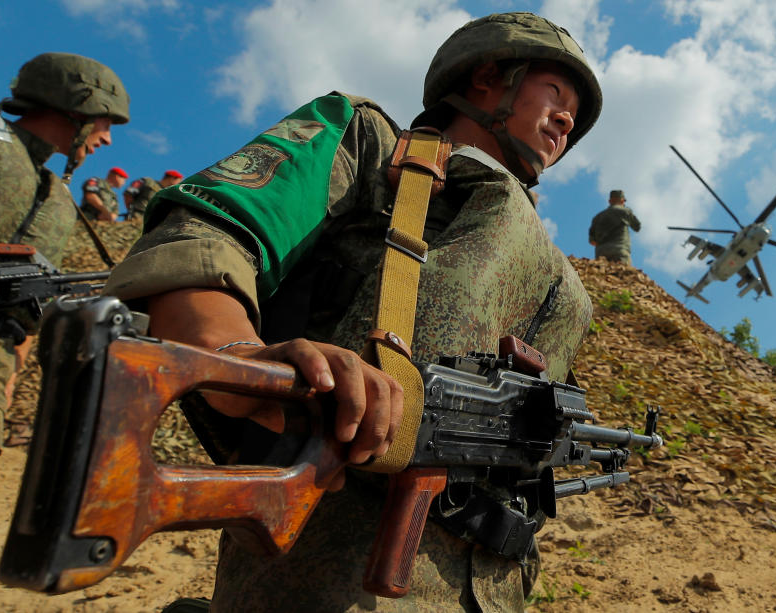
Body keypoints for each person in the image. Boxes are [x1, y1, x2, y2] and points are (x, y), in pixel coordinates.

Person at [105, 11, 600, 612]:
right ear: (487, 79)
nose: (569, 119)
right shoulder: (370, 146)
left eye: (574, 111)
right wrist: (240, 362)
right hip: (329, 566)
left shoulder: (543, 266)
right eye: (556, 93)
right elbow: (204, 239)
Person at [0, 52, 129, 579]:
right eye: (105, 123)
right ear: (79, 105)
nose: (105, 139)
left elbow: (27, 315)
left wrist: (11, 377)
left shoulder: (61, 204)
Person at [588, 189, 641, 264]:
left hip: (601, 252)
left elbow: (592, 241)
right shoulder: (626, 211)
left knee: (603, 274)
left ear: (609, 201)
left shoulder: (598, 217)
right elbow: (637, 227)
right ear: (622, 201)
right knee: (623, 274)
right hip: (620, 250)